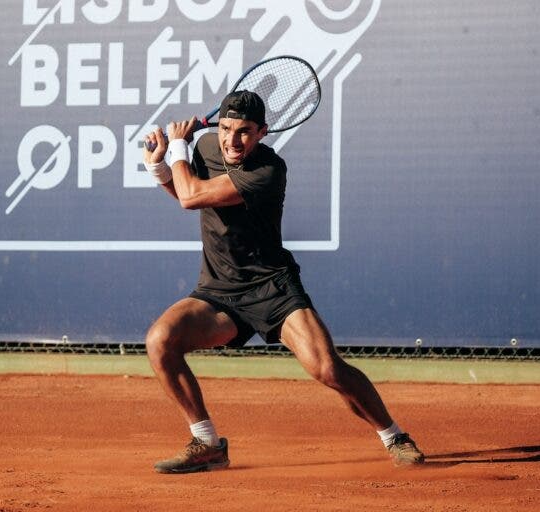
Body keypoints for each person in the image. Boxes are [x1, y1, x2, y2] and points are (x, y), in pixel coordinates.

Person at [142, 90, 424, 474]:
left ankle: (394, 436)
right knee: (160, 340)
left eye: (244, 132)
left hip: (273, 289)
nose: (231, 140)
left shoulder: (268, 171)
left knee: (327, 369)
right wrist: (160, 167)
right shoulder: (206, 147)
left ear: (262, 133)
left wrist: (176, 145)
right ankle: (207, 443)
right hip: (219, 292)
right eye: (225, 128)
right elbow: (184, 191)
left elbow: (193, 197)